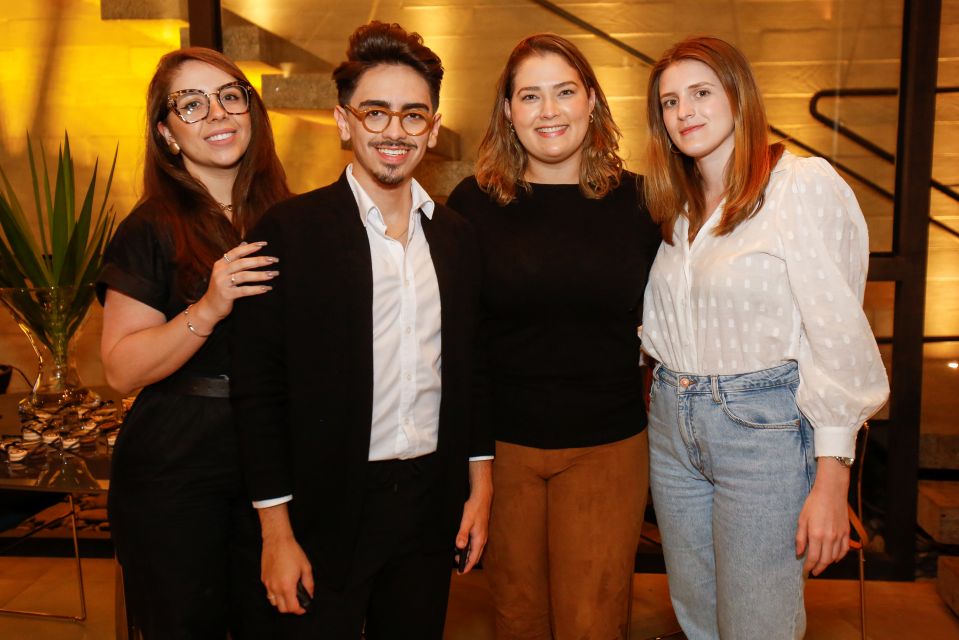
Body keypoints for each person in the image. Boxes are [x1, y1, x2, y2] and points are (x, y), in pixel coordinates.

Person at [229, 21, 494, 639]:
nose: (394, 132)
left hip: (430, 505)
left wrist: (478, 492)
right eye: (375, 113)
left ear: (431, 126)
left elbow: (472, 372)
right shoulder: (288, 233)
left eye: (412, 115)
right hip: (326, 506)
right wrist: (276, 533)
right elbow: (258, 393)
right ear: (344, 122)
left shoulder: (456, 239)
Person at [641, 36, 890, 639]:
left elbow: (836, 333)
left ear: (739, 97)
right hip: (673, 428)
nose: (685, 112)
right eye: (670, 102)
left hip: (763, 430)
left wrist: (832, 479)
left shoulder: (799, 185)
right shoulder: (676, 206)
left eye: (701, 93)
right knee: (699, 619)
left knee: (758, 624)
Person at [447, 33, 661, 639]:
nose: (549, 111)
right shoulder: (473, 204)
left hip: (607, 447)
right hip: (502, 450)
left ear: (591, 100)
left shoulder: (642, 202)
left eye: (564, 92)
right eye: (530, 96)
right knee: (516, 619)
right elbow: (457, 336)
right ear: (508, 112)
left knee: (592, 622)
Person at [97, 47, 291, 637]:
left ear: (252, 112)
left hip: (275, 462)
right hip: (176, 471)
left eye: (230, 96)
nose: (217, 114)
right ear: (168, 133)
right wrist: (207, 307)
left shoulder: (289, 217)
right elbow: (121, 371)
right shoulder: (150, 226)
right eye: (191, 104)